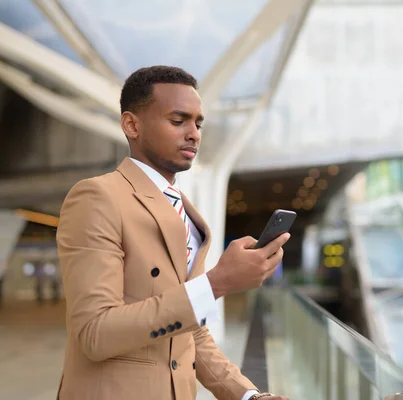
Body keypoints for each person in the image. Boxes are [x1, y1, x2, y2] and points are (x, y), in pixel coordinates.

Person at [55, 66, 290, 400]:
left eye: (198, 123)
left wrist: (247, 396)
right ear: (131, 125)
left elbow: (187, 330)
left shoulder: (184, 209)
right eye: (178, 121)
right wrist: (218, 282)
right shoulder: (97, 197)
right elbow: (95, 333)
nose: (193, 133)